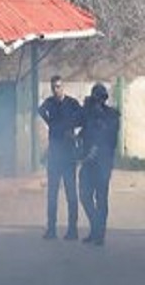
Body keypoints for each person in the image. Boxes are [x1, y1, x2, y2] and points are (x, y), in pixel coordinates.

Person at [38, 76, 82, 240]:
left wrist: (73, 130)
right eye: (53, 87)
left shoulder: (72, 103)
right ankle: (51, 229)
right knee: (52, 194)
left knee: (71, 193)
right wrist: (50, 123)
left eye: (58, 87)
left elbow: (82, 117)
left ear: (63, 87)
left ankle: (73, 230)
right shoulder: (50, 103)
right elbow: (40, 110)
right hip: (55, 154)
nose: (56, 90)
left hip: (69, 154)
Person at [78, 83, 120, 246]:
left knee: (101, 198)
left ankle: (99, 233)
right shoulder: (88, 113)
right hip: (89, 161)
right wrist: (86, 108)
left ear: (105, 98)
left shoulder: (111, 115)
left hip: (103, 162)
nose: (98, 101)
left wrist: (98, 117)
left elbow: (110, 138)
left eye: (100, 97)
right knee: (84, 195)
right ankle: (96, 227)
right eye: (95, 97)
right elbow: (81, 127)